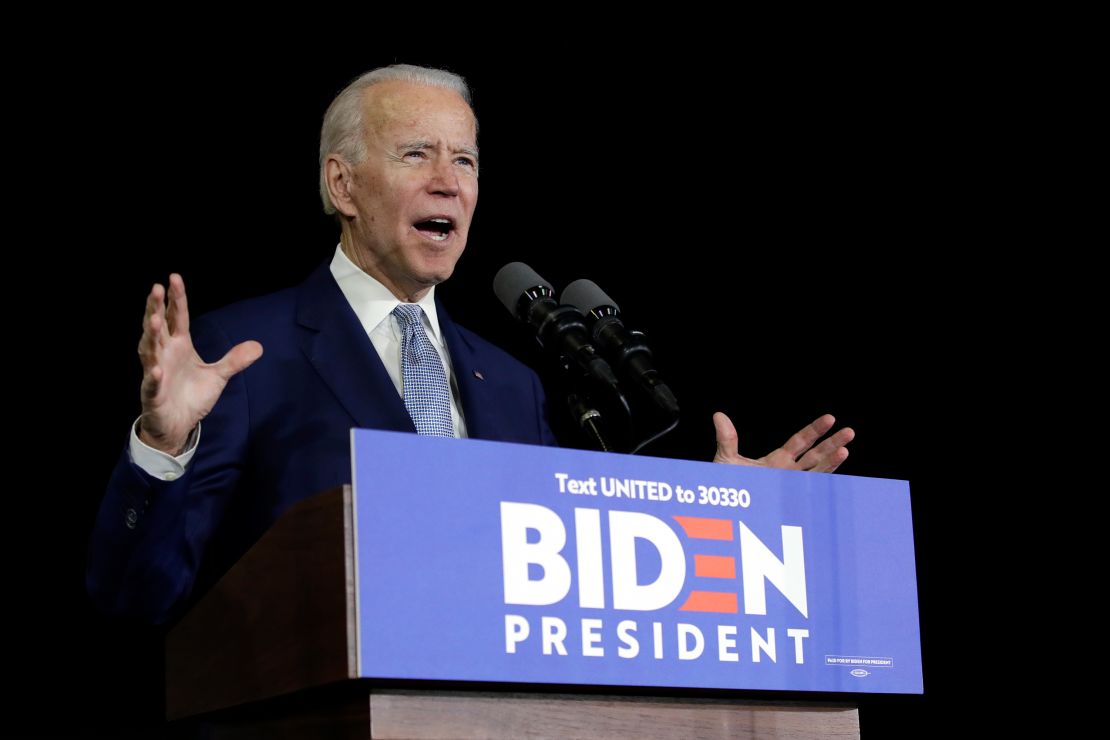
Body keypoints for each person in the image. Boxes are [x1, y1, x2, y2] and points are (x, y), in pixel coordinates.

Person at [87, 64, 854, 624]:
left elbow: (577, 574)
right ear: (343, 185)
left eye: (466, 160)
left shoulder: (514, 383)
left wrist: (722, 521)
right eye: (418, 154)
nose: (449, 182)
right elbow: (135, 602)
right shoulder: (245, 353)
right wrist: (161, 445)